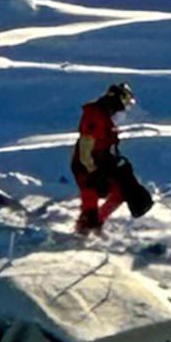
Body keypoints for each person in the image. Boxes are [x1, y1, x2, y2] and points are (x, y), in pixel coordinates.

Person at [72, 81, 136, 234]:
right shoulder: (95, 116)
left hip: (102, 165)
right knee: (90, 206)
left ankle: (96, 223)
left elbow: (109, 145)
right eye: (124, 105)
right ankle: (85, 230)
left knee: (122, 192)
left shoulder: (107, 118)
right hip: (87, 167)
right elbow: (85, 149)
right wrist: (93, 171)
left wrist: (118, 163)